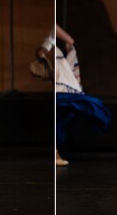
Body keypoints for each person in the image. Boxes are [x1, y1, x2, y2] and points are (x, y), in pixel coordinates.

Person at [42, 24, 111, 167]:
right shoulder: (50, 48)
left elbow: (53, 31)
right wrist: (68, 39)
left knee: (61, 122)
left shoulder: (63, 51)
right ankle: (55, 153)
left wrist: (69, 41)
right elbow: (49, 37)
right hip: (61, 93)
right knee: (93, 105)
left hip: (68, 91)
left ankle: (55, 154)